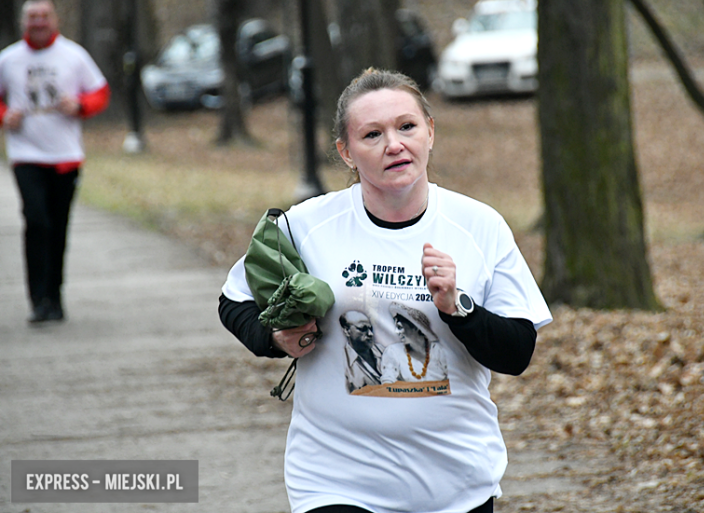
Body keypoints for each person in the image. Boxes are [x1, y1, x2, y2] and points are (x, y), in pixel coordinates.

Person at [219, 68, 552, 513]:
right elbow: (233, 298)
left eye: (407, 126)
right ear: (347, 152)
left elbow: (517, 353)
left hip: (455, 486)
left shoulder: (478, 226)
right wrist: (275, 338)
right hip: (334, 481)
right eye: (372, 134)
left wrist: (459, 307)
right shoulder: (306, 225)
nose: (394, 144)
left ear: (430, 133)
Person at [0, 0, 110, 324]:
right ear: (23, 22)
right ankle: (38, 299)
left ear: (54, 19)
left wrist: (78, 106)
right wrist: (5, 115)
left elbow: (99, 91)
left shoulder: (73, 55)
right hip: (26, 154)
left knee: (58, 227)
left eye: (43, 16)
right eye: (32, 17)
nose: (38, 22)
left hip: (64, 156)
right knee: (36, 221)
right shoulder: (9, 59)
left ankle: (55, 297)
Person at [380, 301, 447, 384]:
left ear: (416, 328)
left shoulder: (438, 351)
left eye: (399, 327)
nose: (396, 331)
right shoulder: (393, 351)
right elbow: (387, 380)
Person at [339, 310, 383, 392]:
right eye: (363, 329)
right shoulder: (342, 364)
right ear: (347, 331)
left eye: (371, 329)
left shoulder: (384, 351)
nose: (370, 334)